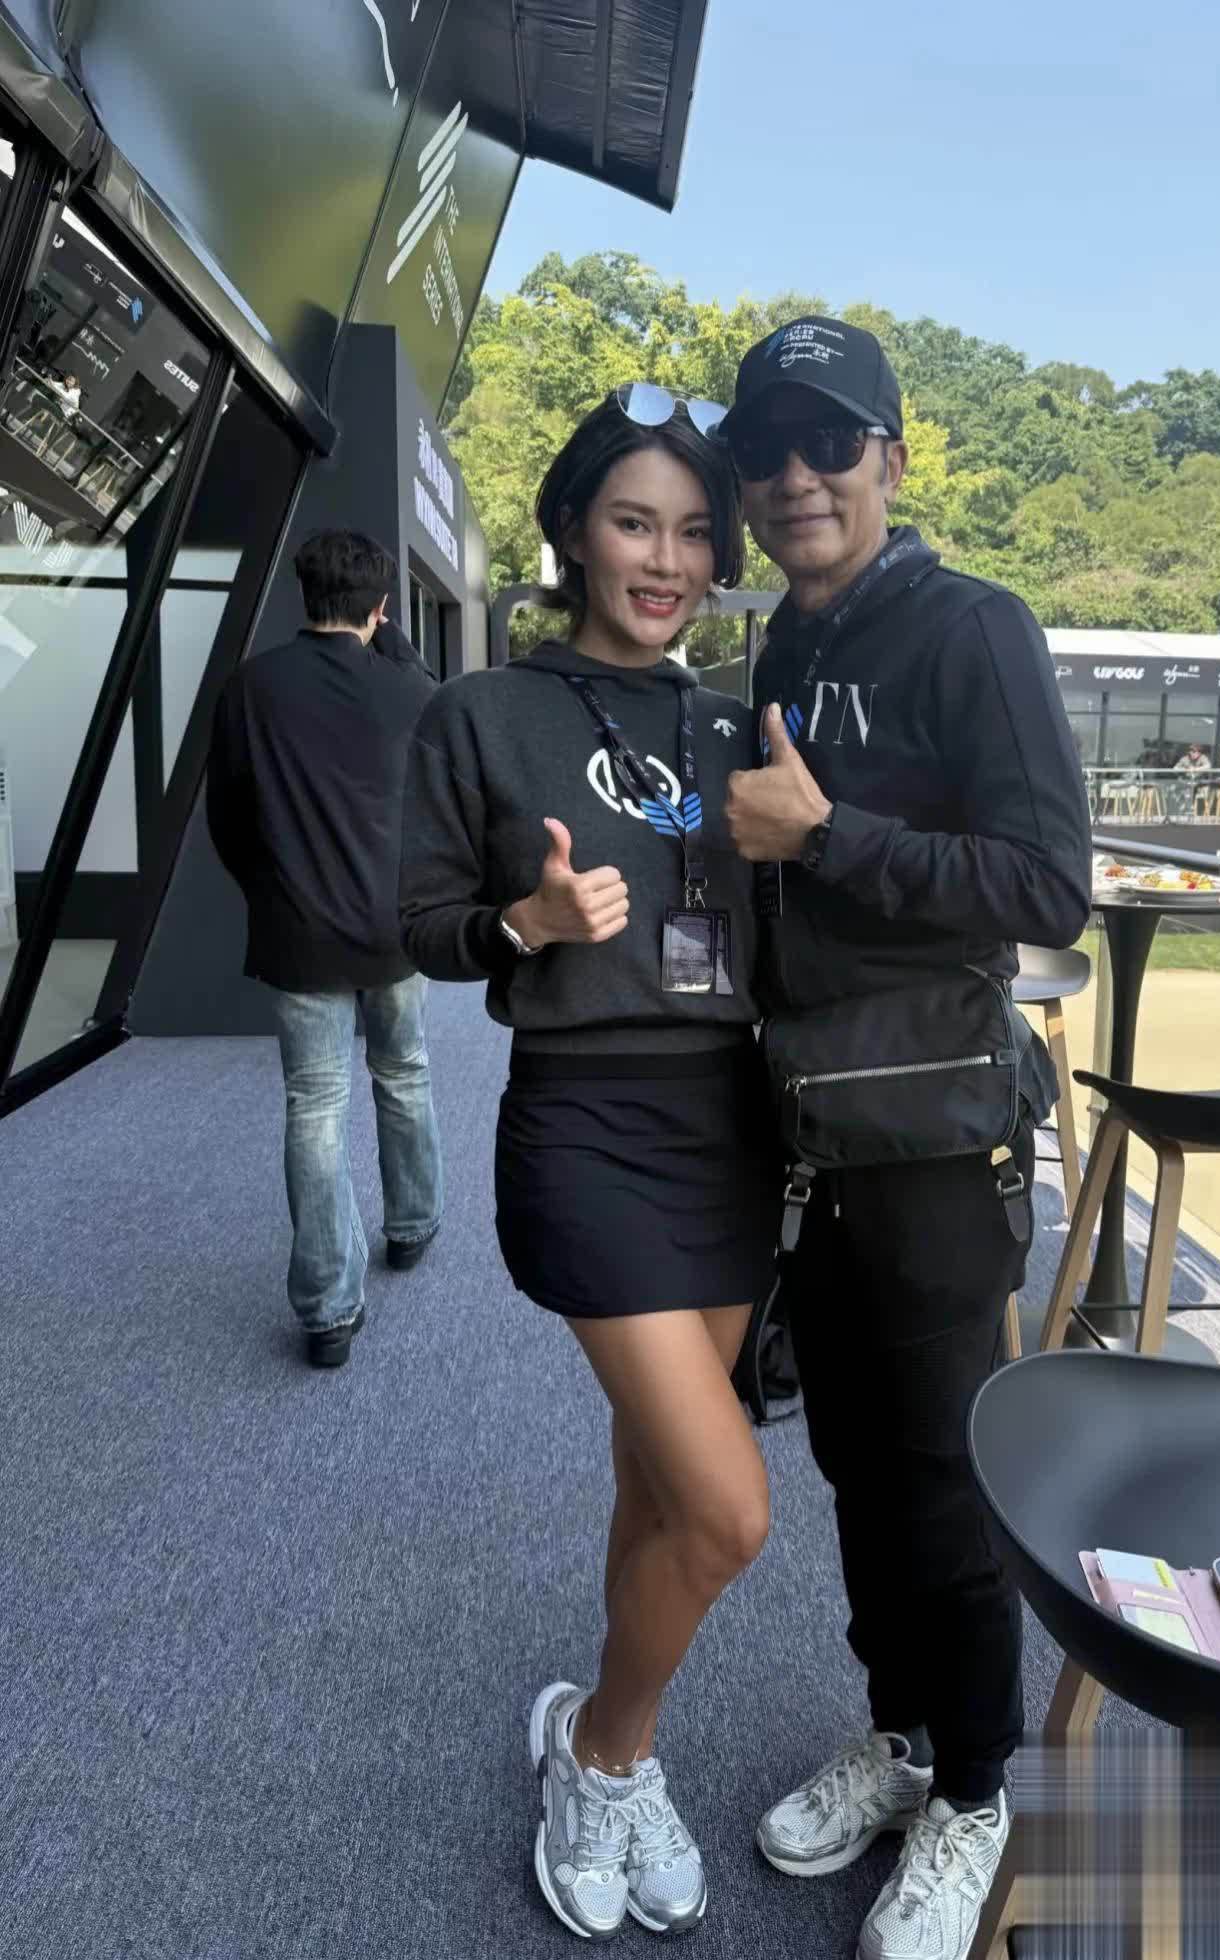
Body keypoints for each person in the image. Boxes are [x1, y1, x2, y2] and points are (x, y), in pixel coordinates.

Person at [720, 318, 1091, 1960]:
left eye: (830, 443)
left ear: (892, 455)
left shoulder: (972, 628)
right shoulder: (782, 653)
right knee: (856, 1469)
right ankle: (902, 1738)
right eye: (767, 451)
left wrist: (828, 836)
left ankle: (978, 1794)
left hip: (941, 1135)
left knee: (942, 1478)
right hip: (809, 1131)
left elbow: (1046, 885)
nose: (796, 478)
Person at [396, 384, 779, 1942]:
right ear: (571, 529)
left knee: (657, 1486)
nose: (665, 560)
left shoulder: (737, 720)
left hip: (732, 1130)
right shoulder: (482, 714)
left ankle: (620, 1733)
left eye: (692, 532)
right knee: (732, 1512)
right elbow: (418, 926)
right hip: (584, 1125)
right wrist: (525, 923)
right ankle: (605, 1753)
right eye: (634, 522)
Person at [206, 530, 443, 1369]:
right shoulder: (410, 690)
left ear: (303, 596)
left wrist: (271, 890)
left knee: (314, 1104)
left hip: (299, 929)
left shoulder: (252, 686)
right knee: (403, 1071)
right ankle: (411, 1225)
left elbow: (228, 817)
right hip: (395, 928)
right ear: (381, 607)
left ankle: (328, 1311)